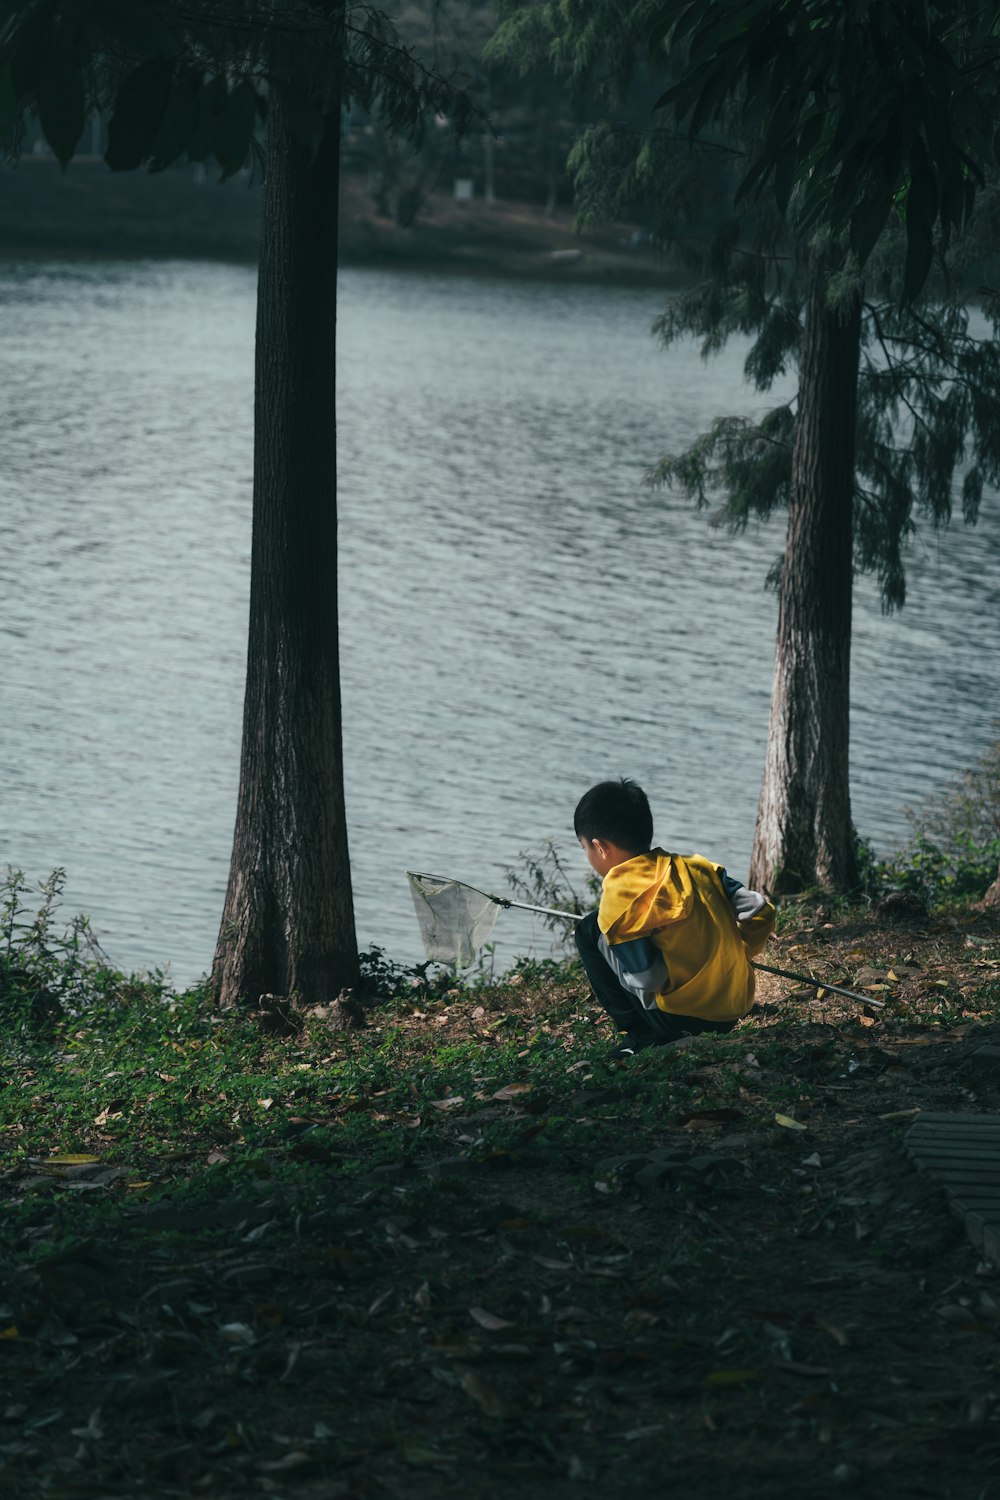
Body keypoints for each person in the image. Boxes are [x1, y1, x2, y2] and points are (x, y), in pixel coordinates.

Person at [574, 778, 775, 1057]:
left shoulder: (618, 897)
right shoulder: (699, 868)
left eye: (585, 849)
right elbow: (760, 911)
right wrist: (743, 951)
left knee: (588, 930)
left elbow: (648, 981)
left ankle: (638, 1034)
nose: (588, 855)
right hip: (732, 1010)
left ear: (600, 847)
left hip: (677, 1021)